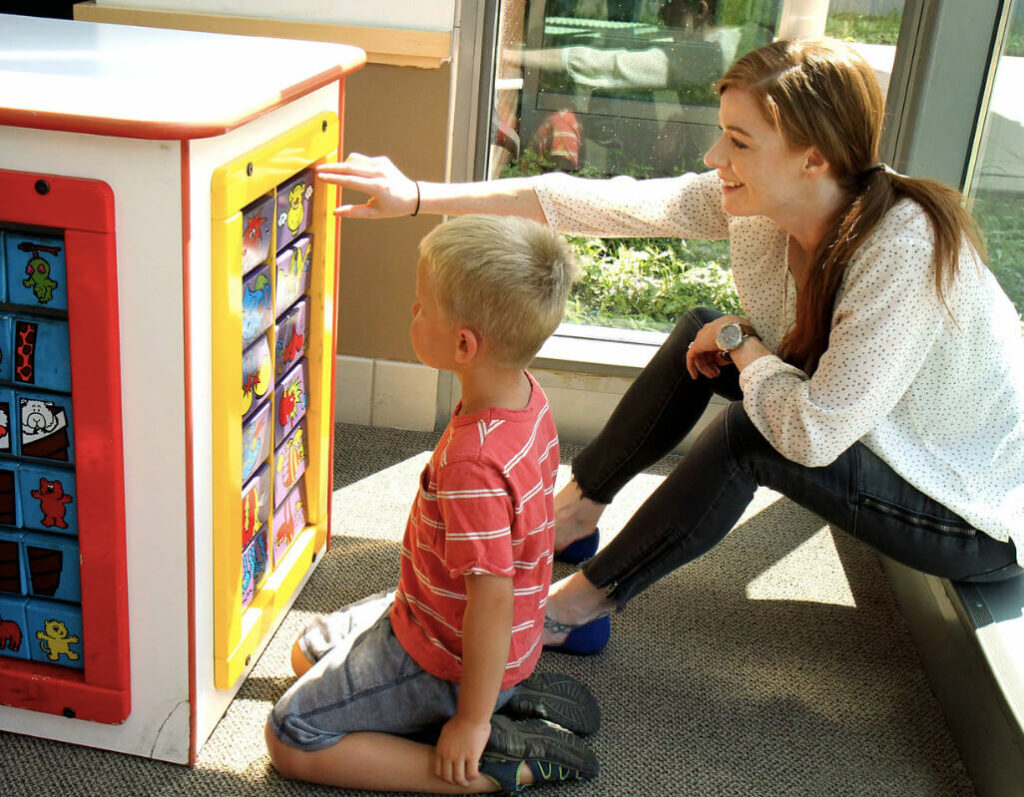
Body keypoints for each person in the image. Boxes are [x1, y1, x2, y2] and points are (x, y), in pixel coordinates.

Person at [315, 38, 1024, 659]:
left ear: (815, 157)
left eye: (740, 143)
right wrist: (416, 197)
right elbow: (583, 201)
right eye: (723, 135)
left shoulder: (901, 250)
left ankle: (571, 609)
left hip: (966, 504)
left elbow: (811, 432)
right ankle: (574, 513)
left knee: (755, 431)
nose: (716, 157)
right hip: (870, 427)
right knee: (700, 330)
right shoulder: (763, 208)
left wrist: (742, 344)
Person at [264, 214, 601, 794]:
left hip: (445, 655)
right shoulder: (526, 396)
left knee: (290, 733)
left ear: (464, 344)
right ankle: (496, 695)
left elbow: (489, 604)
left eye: (422, 307)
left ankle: (483, 760)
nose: (412, 313)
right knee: (305, 651)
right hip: (440, 615)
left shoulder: (474, 464)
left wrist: (470, 721)